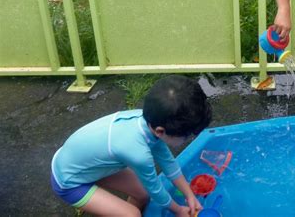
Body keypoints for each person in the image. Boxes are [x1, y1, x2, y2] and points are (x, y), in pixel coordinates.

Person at [50, 75, 212, 217]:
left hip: (86, 163)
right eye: (187, 135)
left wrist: (189, 195)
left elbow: (168, 163)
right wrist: (178, 210)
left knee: (142, 194)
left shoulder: (148, 121)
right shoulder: (137, 152)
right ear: (160, 131)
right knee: (132, 214)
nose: (188, 138)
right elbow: (155, 189)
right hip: (70, 181)